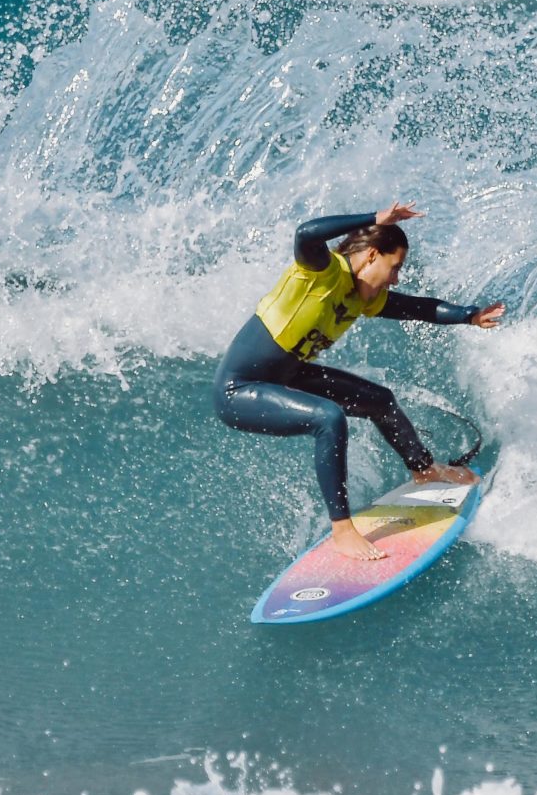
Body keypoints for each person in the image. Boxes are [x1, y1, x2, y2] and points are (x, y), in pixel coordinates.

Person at [214, 202, 505, 561]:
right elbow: (306, 232)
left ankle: (424, 470)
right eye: (394, 267)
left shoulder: (362, 298)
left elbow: (420, 309)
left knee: (379, 400)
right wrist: (374, 218)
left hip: (288, 375)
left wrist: (470, 316)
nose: (396, 278)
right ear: (371, 256)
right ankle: (342, 530)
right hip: (240, 390)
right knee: (328, 418)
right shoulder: (322, 272)